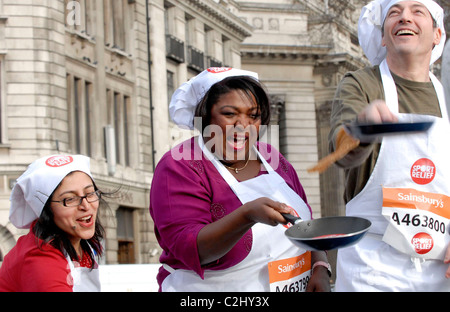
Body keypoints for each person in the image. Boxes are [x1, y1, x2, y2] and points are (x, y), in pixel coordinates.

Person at [150, 67, 331, 292]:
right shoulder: (180, 166)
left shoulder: (271, 157)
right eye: (229, 114)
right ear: (204, 117)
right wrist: (247, 215)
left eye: (253, 115)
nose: (243, 125)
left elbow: (305, 223)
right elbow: (192, 249)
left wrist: (320, 266)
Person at [329, 0, 450, 291]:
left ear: (437, 34)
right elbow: (340, 150)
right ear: (383, 36)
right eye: (394, 13)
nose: (404, 18)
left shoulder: (446, 95)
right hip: (372, 269)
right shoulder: (361, 84)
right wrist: (363, 128)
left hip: (440, 270)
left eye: (417, 11)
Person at [0, 154, 105, 292]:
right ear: (46, 209)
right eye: (70, 199)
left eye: (90, 193)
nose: (86, 205)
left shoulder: (78, 246)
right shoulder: (40, 259)